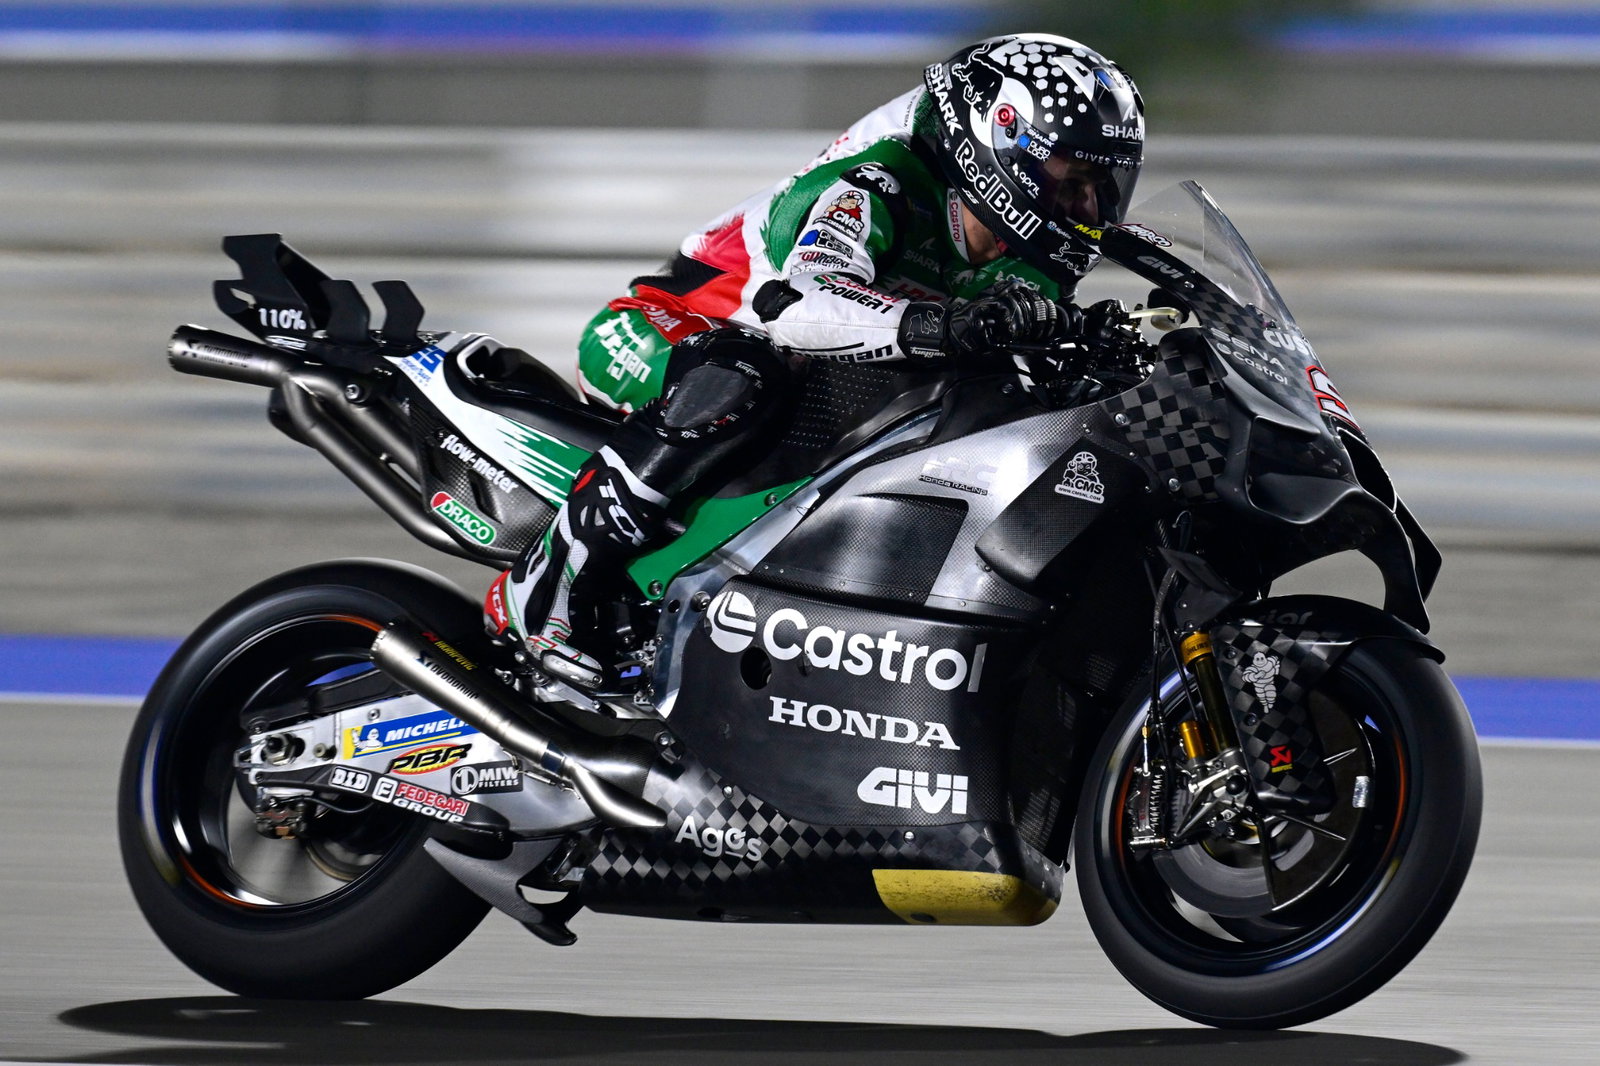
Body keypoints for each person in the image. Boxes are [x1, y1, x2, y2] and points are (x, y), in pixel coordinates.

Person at [483, 32, 1147, 689]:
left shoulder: (1030, 249)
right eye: (1072, 180)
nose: (1087, 209)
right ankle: (547, 587)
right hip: (667, 330)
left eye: (1102, 185)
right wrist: (943, 324)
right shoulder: (880, 177)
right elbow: (798, 309)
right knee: (747, 371)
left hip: (801, 373)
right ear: (1003, 150)